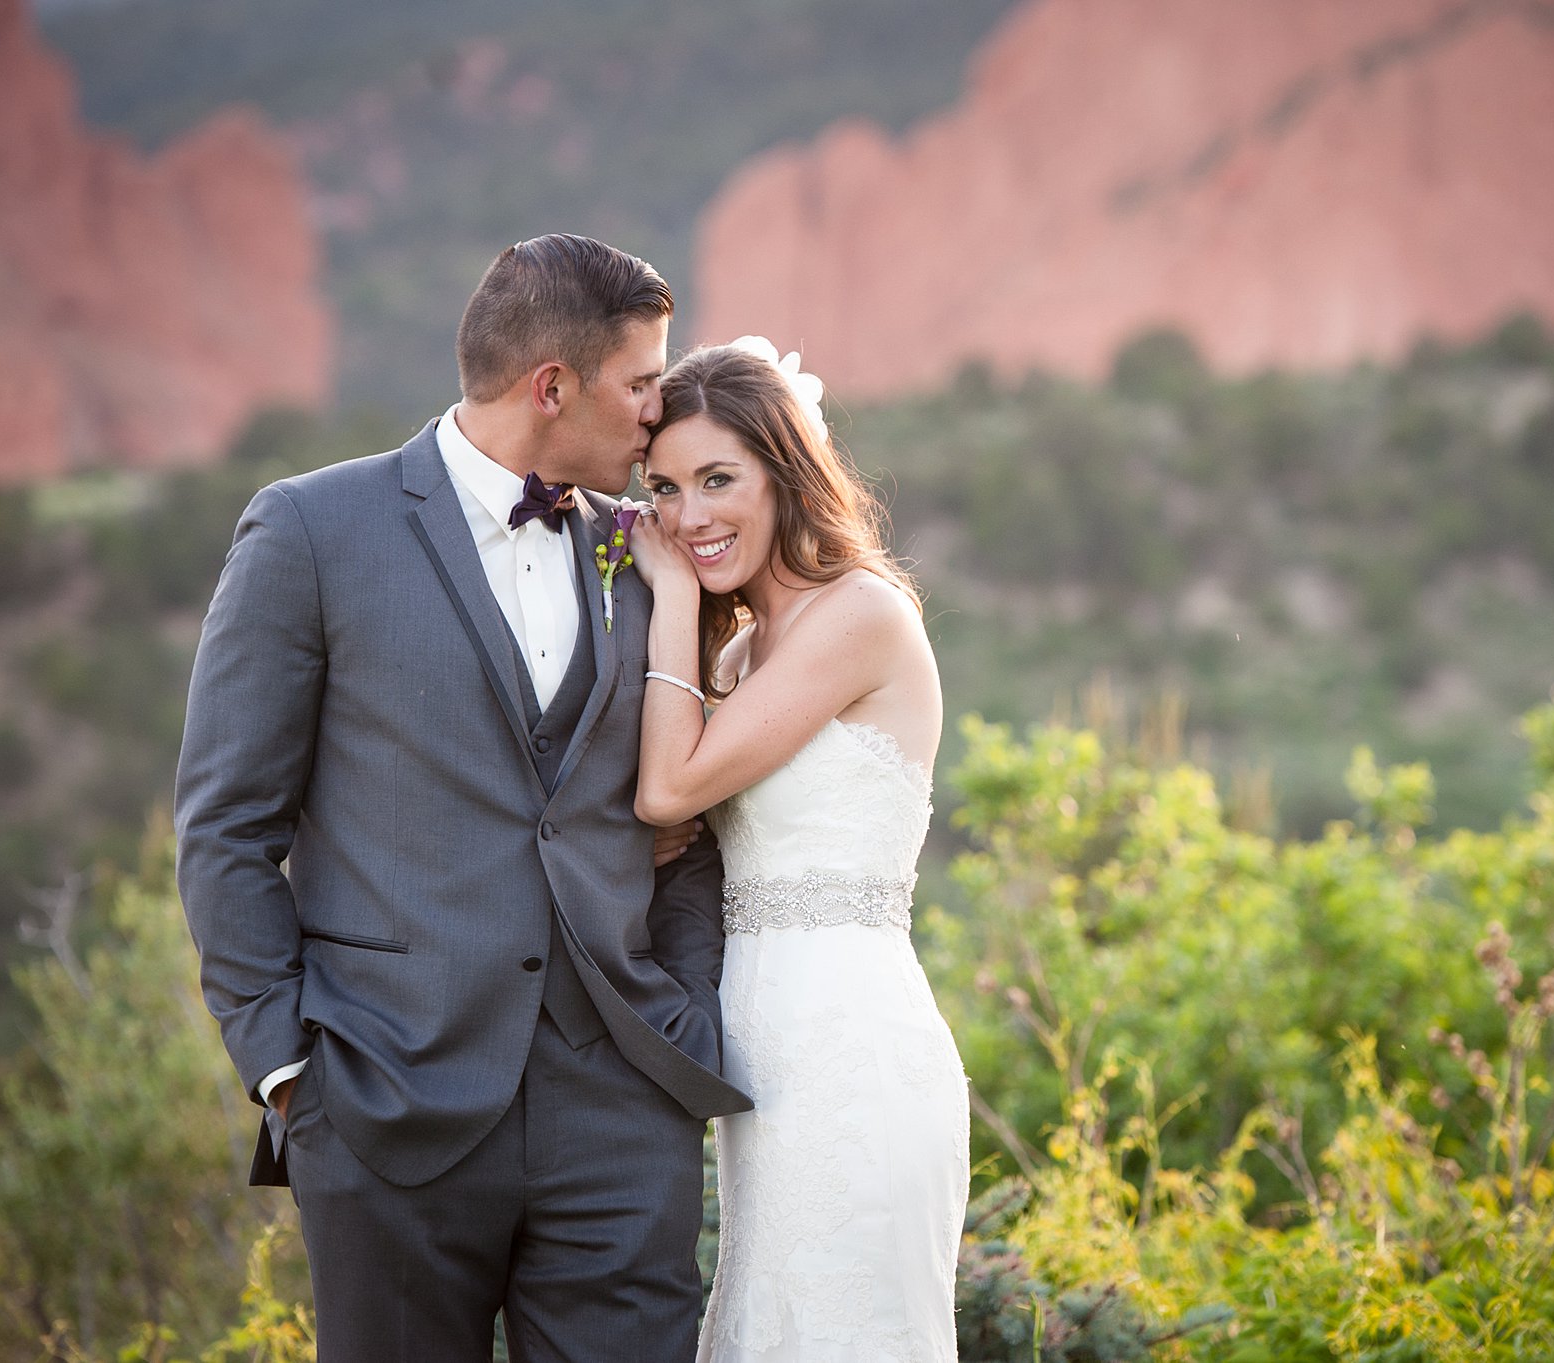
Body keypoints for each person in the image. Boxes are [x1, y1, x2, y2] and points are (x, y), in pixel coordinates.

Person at [174, 233, 749, 1362]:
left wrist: (678, 1008)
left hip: (620, 1116)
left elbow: (698, 817)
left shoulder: (652, 554)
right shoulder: (311, 532)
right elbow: (226, 826)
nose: (656, 414)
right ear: (552, 387)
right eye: (640, 384)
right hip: (386, 1109)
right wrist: (292, 1078)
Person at [627, 337, 970, 1362]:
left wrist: (672, 600)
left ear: (784, 471)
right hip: (760, 1062)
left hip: (852, 1047)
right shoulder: (738, 657)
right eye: (665, 489)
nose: (689, 517)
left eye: (717, 478)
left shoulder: (859, 612)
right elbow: (672, 823)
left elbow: (667, 786)